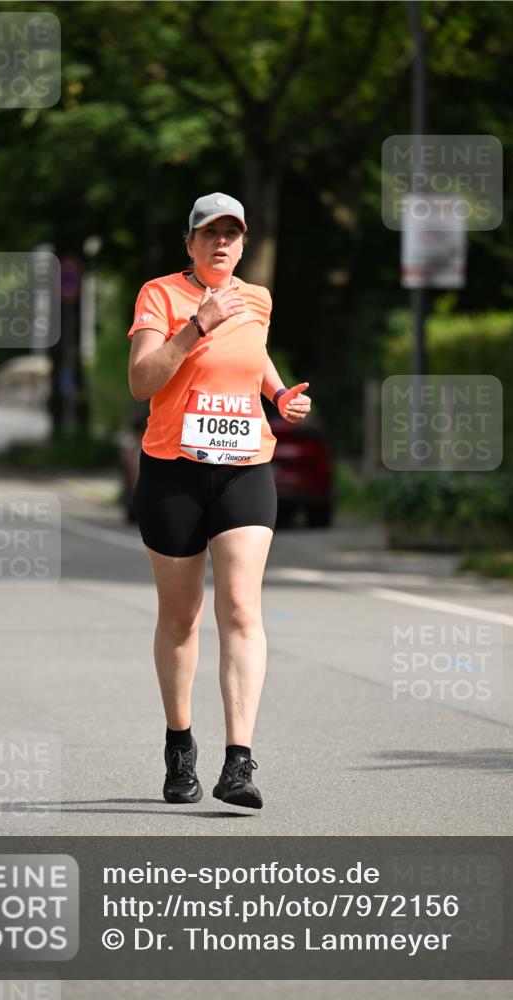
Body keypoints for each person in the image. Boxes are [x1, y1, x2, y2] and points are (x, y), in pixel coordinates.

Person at [127, 192, 311, 809]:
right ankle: (180, 747)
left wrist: (280, 394)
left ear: (242, 242)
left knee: (240, 608)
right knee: (181, 619)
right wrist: (197, 323)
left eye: (232, 233)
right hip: (173, 471)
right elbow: (141, 381)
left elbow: (253, 356)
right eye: (210, 233)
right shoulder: (160, 295)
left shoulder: (257, 298)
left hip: (244, 468)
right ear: (191, 243)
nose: (221, 243)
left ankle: (239, 762)